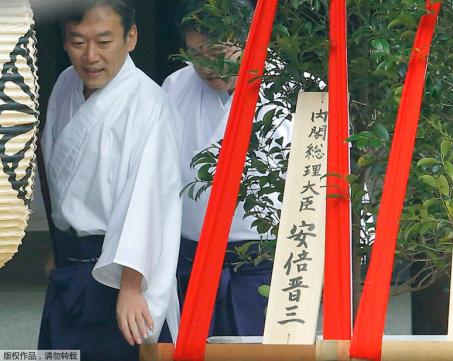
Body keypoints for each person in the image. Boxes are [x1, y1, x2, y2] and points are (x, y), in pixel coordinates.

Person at [38, 1, 182, 360]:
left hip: (117, 271)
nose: (90, 56)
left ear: (130, 37)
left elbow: (148, 199)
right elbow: (59, 174)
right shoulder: (65, 84)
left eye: (103, 42)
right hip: (71, 264)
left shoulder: (149, 103)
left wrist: (131, 285)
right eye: (77, 42)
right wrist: (59, 246)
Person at [162, 0, 292, 337]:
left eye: (219, 50)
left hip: (265, 265)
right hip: (191, 261)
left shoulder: (295, 89)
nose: (207, 64)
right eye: (195, 52)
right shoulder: (174, 87)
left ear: (250, 37)